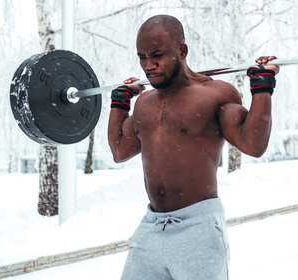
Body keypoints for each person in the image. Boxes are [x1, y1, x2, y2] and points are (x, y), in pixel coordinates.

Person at [108, 14, 279, 280]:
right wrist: (119, 104)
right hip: (151, 227)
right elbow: (120, 150)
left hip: (198, 228)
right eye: (142, 57)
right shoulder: (144, 103)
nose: (148, 66)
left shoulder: (215, 94)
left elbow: (253, 145)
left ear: (182, 50)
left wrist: (262, 87)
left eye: (157, 55)